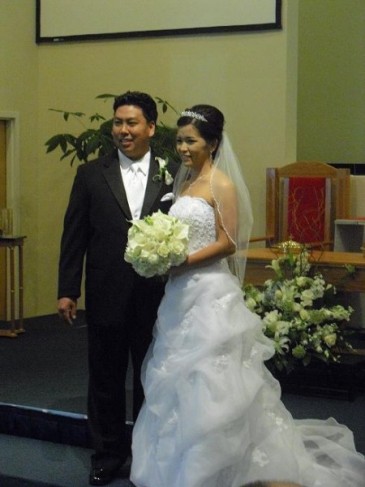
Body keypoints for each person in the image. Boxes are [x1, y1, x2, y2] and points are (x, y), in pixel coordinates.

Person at [130, 105, 365, 487]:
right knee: (177, 377)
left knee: (214, 378)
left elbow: (227, 243)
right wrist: (159, 253)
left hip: (209, 294)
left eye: (191, 141)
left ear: (213, 143)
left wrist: (181, 261)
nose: (183, 148)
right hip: (179, 294)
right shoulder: (183, 181)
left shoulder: (220, 184)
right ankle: (183, 460)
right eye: (179, 141)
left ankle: (223, 462)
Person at [57, 91, 179, 486]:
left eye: (132, 123)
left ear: (151, 127)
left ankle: (148, 451)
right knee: (106, 376)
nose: (123, 131)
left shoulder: (172, 172)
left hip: (156, 296)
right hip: (106, 291)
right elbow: (74, 235)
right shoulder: (91, 174)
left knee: (151, 376)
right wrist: (67, 289)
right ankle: (108, 453)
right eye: (118, 123)